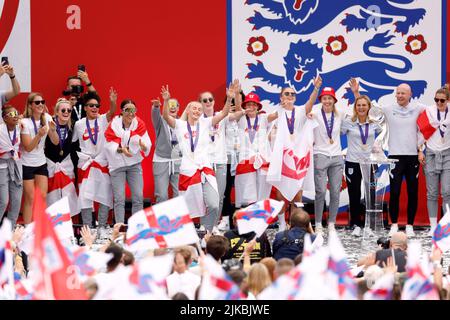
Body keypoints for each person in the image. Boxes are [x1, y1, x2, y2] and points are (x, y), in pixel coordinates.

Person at [352, 81, 426, 237]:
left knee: (413, 192)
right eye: (398, 93)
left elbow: (433, 117)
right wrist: (357, 93)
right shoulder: (388, 109)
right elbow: (367, 109)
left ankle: (410, 225)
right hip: (394, 157)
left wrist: (421, 149)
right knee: (395, 192)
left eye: (403, 93)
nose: (399, 95)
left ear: (410, 94)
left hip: (412, 157)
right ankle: (394, 224)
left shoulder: (419, 108)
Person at [162, 84, 233, 232]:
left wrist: (230, 98)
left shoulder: (206, 123)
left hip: (205, 170)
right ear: (187, 110)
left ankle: (206, 231)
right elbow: (165, 117)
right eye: (194, 108)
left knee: (213, 203)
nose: (197, 110)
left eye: (199, 109)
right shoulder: (180, 125)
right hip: (188, 172)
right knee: (186, 207)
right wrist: (166, 101)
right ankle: (181, 232)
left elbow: (224, 113)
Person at [266, 81, 320, 231]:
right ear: (281, 97)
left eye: (292, 94)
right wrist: (280, 112)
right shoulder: (277, 112)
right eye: (286, 94)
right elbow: (266, 121)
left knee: (297, 193)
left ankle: (296, 225)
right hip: (282, 158)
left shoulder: (301, 110)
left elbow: (310, 103)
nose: (290, 96)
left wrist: (316, 88)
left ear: (295, 97)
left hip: (297, 158)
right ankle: (282, 223)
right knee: (281, 192)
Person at [72, 90, 116, 238]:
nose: (94, 108)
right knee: (85, 197)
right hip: (86, 164)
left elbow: (111, 112)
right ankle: (87, 230)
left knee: (104, 195)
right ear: (85, 107)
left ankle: (102, 227)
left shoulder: (103, 119)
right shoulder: (78, 124)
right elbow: (72, 143)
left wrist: (112, 102)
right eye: (91, 105)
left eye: (97, 105)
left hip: (101, 162)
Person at [341, 88, 383, 237]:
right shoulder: (348, 123)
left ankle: (369, 226)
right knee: (354, 194)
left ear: (368, 107)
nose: (361, 108)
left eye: (364, 105)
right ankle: (356, 225)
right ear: (355, 107)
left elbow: (380, 132)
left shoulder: (374, 125)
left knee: (370, 194)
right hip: (352, 163)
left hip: (370, 164)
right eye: (358, 105)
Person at [308, 82, 346, 235]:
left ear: (334, 100)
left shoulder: (340, 114)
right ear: (320, 99)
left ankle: (331, 223)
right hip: (320, 155)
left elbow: (359, 116)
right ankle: (318, 224)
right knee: (320, 192)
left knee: (336, 192)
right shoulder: (314, 113)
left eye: (330, 98)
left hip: (336, 156)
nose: (327, 101)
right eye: (324, 98)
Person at [104, 98, 151, 224]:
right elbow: (108, 146)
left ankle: (137, 227)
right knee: (119, 198)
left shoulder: (139, 124)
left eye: (133, 110)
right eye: (127, 110)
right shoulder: (113, 125)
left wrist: (143, 146)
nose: (131, 113)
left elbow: (146, 143)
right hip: (117, 165)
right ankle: (119, 228)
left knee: (138, 197)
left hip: (134, 165)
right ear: (121, 111)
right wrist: (121, 150)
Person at [20, 93, 59, 224]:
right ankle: (27, 228)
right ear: (30, 105)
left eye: (42, 101)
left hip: (41, 162)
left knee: (42, 197)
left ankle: (38, 228)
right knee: (30, 198)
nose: (41, 104)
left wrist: (53, 131)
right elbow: (28, 148)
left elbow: (55, 142)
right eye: (37, 102)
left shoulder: (47, 118)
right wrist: (38, 135)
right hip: (26, 163)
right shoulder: (24, 122)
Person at [231, 93, 272, 210]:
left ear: (258, 106)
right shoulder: (241, 119)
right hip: (247, 161)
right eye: (248, 104)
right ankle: (250, 222)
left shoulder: (263, 118)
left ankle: (261, 222)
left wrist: (284, 104)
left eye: (254, 104)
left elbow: (276, 115)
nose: (251, 107)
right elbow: (238, 110)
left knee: (262, 192)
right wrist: (237, 95)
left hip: (263, 161)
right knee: (248, 195)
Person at [418, 88, 450, 236]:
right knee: (431, 193)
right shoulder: (429, 112)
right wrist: (420, 150)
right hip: (430, 153)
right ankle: (433, 226)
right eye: (436, 99)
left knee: (446, 192)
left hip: (447, 153)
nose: (438, 103)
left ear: (448, 100)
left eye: (442, 100)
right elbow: (420, 132)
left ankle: (445, 227)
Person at [45, 98, 79, 214]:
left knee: (67, 196)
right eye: (63, 110)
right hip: (50, 165)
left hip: (66, 165)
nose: (66, 112)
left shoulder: (74, 125)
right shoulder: (49, 124)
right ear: (56, 112)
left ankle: (66, 224)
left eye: (69, 110)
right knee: (51, 198)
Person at [218, 90, 244, 231]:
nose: (234, 105)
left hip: (242, 158)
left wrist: (238, 105)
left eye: (237, 102)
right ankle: (226, 219)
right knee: (226, 190)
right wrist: (228, 111)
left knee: (243, 191)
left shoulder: (244, 117)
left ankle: (243, 219)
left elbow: (240, 112)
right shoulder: (221, 118)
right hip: (227, 158)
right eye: (231, 102)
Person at [151, 97, 181, 203]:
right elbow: (155, 114)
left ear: (178, 108)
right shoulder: (160, 121)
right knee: (162, 196)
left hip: (178, 161)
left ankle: (178, 219)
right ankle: (161, 219)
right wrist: (156, 107)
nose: (172, 108)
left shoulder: (182, 122)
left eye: (175, 105)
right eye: (169, 105)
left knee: (179, 195)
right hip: (161, 160)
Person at [0, 106, 22, 226]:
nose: (15, 115)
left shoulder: (20, 127)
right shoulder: (0, 130)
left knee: (17, 201)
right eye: (12, 113)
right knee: (3, 201)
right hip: (2, 166)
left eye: (16, 112)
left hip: (16, 165)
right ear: (4, 118)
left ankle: (10, 231)